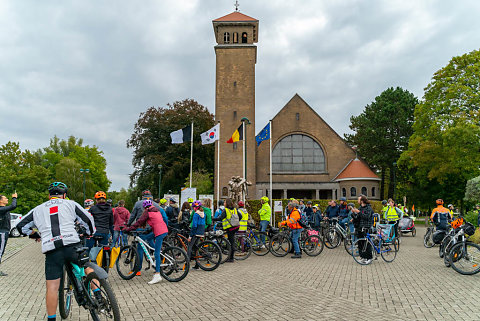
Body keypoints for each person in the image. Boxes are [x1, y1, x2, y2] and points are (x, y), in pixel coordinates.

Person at [16, 182, 95, 321]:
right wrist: (89, 233)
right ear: (64, 195)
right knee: (88, 267)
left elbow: (20, 226)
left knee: (52, 287)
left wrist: (35, 235)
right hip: (72, 245)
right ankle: (99, 294)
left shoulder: (38, 209)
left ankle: (51, 319)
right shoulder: (71, 204)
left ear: (49, 196)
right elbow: (87, 219)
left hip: (52, 250)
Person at [125, 199, 168, 284]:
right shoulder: (156, 210)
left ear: (145, 207)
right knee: (147, 238)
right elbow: (156, 222)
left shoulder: (148, 212)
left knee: (156, 252)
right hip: (163, 230)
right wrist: (147, 231)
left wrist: (129, 229)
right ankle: (155, 258)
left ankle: (157, 274)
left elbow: (139, 221)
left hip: (159, 232)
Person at [213, 198, 243, 262]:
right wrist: (235, 221)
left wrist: (213, 219)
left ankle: (231, 258)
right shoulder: (235, 209)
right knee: (231, 241)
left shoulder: (226, 210)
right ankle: (230, 255)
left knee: (231, 243)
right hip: (236, 227)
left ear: (227, 203)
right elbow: (240, 216)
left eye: (225, 202)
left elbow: (220, 218)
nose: (224, 203)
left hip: (230, 228)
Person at [351, 195, 374, 264]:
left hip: (366, 227)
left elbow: (366, 217)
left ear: (362, 201)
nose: (357, 201)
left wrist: (359, 212)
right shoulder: (360, 208)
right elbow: (358, 217)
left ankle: (369, 257)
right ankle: (363, 257)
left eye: (358, 199)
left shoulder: (368, 208)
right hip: (359, 227)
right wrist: (353, 214)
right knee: (360, 243)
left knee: (366, 244)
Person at [0, 192, 17, 277]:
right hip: (2, 233)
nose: (7, 199)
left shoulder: (3, 209)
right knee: (0, 251)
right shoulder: (1, 209)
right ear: (0, 201)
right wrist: (14, 198)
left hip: (4, 232)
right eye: (5, 198)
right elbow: (13, 206)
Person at [187, 200, 205, 270]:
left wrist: (190, 236)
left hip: (196, 232)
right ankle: (197, 265)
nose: (193, 209)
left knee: (189, 247)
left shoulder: (196, 214)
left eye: (193, 207)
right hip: (201, 232)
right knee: (196, 248)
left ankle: (187, 265)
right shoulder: (203, 213)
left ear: (195, 208)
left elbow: (194, 226)